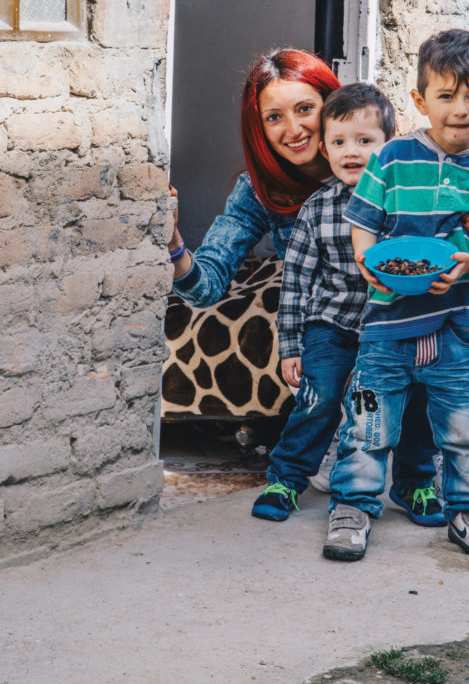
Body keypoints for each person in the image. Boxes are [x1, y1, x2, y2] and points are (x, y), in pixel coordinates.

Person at [167, 48, 452, 504]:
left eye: (305, 109)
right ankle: (328, 436)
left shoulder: (397, 168)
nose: (293, 128)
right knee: (291, 317)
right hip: (330, 314)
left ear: (331, 106)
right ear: (258, 129)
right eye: (273, 117)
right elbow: (206, 285)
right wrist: (174, 244)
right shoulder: (258, 191)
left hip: (397, 313)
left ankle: (418, 457)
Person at [322, 28, 469, 563]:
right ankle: (352, 509)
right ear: (420, 100)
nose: (461, 109)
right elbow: (362, 225)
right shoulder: (391, 158)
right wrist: (371, 266)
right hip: (387, 325)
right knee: (368, 423)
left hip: (455, 324)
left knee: (464, 427)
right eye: (446, 96)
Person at [251, 83, 446, 525]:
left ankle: (415, 483)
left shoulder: (407, 204)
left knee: (420, 398)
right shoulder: (318, 209)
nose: (351, 152)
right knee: (318, 397)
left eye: (365, 141)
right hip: (333, 324)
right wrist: (291, 346)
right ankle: (286, 478)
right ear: (324, 147)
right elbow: (297, 282)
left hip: (398, 326)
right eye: (339, 142)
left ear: (389, 146)